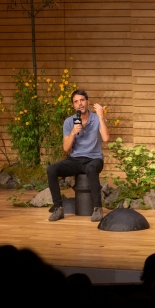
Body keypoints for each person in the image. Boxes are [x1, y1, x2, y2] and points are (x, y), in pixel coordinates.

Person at [46, 89, 110, 222]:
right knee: (51, 169)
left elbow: (105, 138)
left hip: (94, 158)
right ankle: (58, 208)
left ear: (87, 102)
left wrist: (101, 117)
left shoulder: (97, 119)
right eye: (76, 102)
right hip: (75, 159)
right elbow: (66, 148)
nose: (80, 104)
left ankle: (97, 208)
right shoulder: (69, 122)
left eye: (82, 100)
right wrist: (73, 133)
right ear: (73, 105)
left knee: (92, 169)